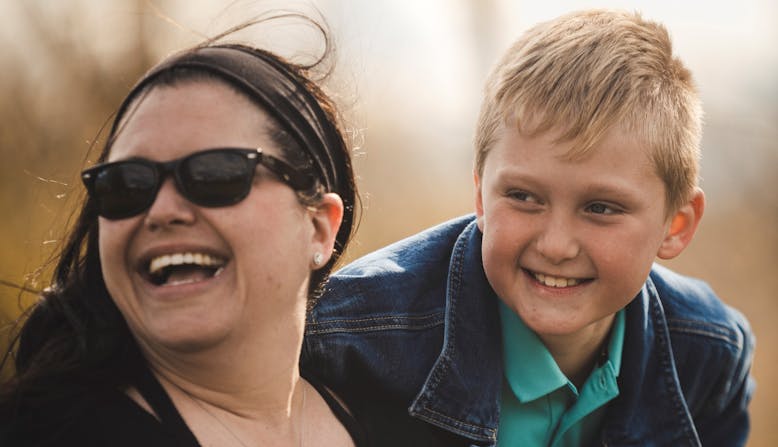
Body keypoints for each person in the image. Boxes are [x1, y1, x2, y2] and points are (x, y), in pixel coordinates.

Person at [302, 9, 755, 447]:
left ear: (675, 224)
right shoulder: (349, 343)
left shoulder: (708, 353)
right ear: (481, 198)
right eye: (523, 197)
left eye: (600, 208)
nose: (556, 246)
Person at [0, 26, 366, 446]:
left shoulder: (404, 417)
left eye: (215, 175)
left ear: (319, 227)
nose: (161, 211)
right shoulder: (47, 433)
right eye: (126, 184)